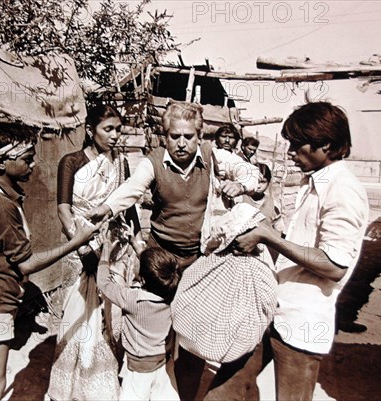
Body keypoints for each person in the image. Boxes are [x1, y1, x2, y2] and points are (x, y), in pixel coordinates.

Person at [86, 102, 259, 400]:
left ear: (200, 135)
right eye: (175, 136)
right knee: (153, 330)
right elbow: (132, 188)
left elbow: (251, 172)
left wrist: (240, 184)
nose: (182, 143)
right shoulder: (152, 162)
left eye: (189, 136)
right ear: (165, 135)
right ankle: (142, 386)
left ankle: (184, 394)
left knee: (192, 335)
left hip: (198, 261)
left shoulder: (213, 156)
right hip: (161, 262)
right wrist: (105, 207)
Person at [204, 101, 369, 401]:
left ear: (325, 144)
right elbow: (298, 242)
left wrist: (269, 237)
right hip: (273, 307)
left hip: (303, 322)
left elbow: (335, 265)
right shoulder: (314, 182)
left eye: (296, 144)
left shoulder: (343, 189)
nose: (291, 151)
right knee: (224, 393)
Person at [0, 122, 100, 401]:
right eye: (26, 159)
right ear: (1, 162)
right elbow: (25, 265)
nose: (34, 164)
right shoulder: (3, 207)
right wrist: (76, 241)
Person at [47, 104, 141, 400]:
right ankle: (73, 383)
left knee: (110, 310)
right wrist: (82, 246)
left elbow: (128, 206)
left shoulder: (121, 164)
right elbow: (63, 209)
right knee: (80, 310)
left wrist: (138, 243)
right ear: (91, 130)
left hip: (115, 246)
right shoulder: (71, 161)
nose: (115, 136)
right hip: (82, 244)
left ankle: (103, 381)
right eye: (108, 129)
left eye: (118, 129)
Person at [96, 235, 180, 401]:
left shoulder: (132, 300)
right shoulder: (172, 295)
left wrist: (105, 251)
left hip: (139, 368)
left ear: (141, 279)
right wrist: (139, 248)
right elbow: (156, 274)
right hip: (162, 361)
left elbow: (104, 283)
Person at [242, 163, 284, 233]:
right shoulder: (240, 200)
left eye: (263, 182)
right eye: (256, 181)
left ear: (268, 183)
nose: (258, 186)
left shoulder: (274, 205)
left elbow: (279, 229)